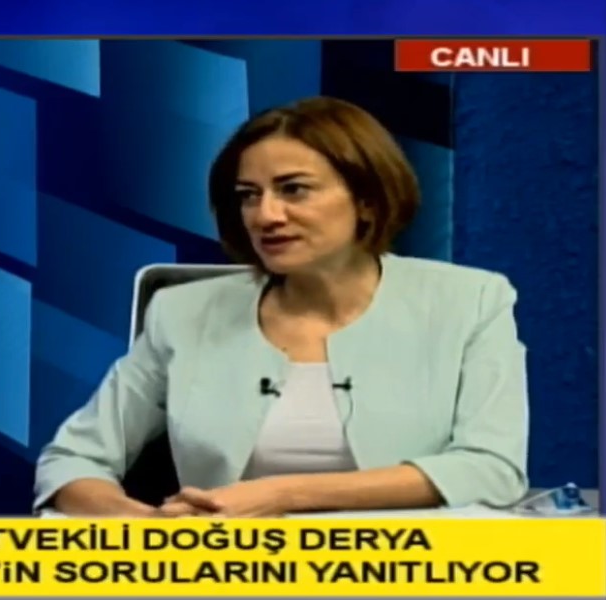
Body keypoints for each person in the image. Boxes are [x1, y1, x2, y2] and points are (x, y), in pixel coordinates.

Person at [34, 96, 529, 517]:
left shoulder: (469, 301)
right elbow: (71, 461)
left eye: (294, 190)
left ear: (367, 199)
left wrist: (283, 495)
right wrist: (144, 526)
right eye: (249, 196)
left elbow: (492, 467)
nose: (266, 215)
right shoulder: (182, 313)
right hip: (233, 573)